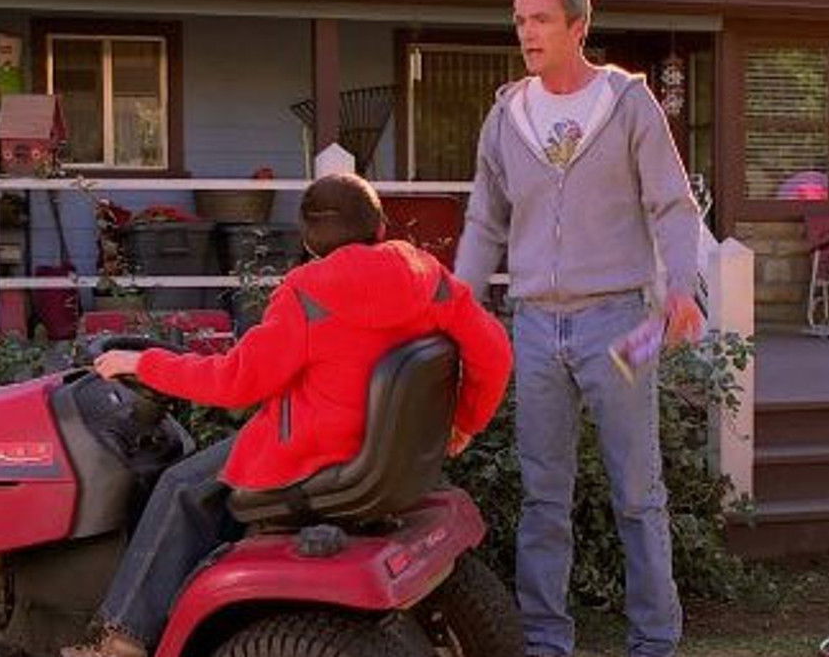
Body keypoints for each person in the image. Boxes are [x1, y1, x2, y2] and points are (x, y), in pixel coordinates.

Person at [62, 173, 513, 657]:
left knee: (181, 487)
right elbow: (494, 352)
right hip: (389, 450)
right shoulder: (427, 276)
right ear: (381, 227)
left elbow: (237, 383)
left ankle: (122, 637)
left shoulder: (306, 293)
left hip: (312, 456)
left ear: (308, 242)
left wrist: (143, 365)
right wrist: (465, 422)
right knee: (207, 478)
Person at [453, 0, 705, 657]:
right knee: (543, 498)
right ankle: (544, 641)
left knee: (637, 493)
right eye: (519, 20)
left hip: (619, 324)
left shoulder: (627, 104)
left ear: (577, 27)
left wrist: (681, 287)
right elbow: (484, 221)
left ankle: (654, 641)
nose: (526, 32)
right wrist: (456, 306)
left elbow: (672, 204)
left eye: (540, 19)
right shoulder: (507, 116)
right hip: (535, 327)